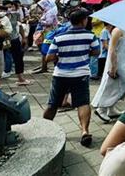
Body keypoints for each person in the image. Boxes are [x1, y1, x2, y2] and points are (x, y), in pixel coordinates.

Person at [44, 8, 101, 147]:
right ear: (83, 21)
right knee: (82, 103)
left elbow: (48, 57)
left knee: (53, 104)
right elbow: (96, 52)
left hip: (61, 74)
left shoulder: (59, 37)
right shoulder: (90, 36)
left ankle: (45, 128)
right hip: (81, 74)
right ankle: (84, 131)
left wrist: (60, 57)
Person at [92, 25, 125, 122]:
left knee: (114, 86)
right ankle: (101, 108)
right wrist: (113, 66)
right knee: (123, 85)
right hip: (116, 63)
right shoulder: (116, 31)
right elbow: (112, 49)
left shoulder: (124, 30)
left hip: (122, 62)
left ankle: (111, 109)